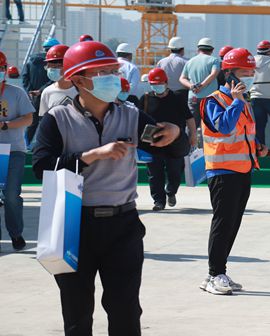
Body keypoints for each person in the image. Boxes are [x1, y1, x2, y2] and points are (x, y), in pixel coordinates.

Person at [32, 41, 183, 334]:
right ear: (78, 80)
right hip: (74, 224)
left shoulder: (131, 115)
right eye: (103, 73)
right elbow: (42, 167)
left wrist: (176, 133)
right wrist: (92, 156)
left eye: (114, 70)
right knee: (77, 312)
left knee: (125, 309)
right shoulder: (57, 119)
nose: (113, 78)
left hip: (122, 225)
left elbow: (171, 149)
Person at [199, 48, 267, 295]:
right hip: (222, 172)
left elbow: (243, 132)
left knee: (232, 224)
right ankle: (214, 273)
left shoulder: (242, 102)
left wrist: (257, 146)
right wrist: (237, 101)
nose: (249, 76)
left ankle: (219, 272)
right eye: (245, 72)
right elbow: (224, 127)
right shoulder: (213, 101)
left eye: (250, 72)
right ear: (229, 74)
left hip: (242, 169)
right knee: (222, 223)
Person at [138, 68, 195, 211]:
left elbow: (189, 118)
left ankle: (171, 191)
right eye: (153, 84)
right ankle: (159, 201)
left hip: (175, 142)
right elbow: (137, 119)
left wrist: (193, 135)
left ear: (166, 82)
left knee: (175, 170)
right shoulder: (145, 99)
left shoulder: (177, 98)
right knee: (154, 173)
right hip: (152, 142)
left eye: (159, 83)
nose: (157, 86)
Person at [0, 50, 34, 252]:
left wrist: (6, 125)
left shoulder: (16, 93)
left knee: (11, 195)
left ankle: (15, 233)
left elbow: (28, 118)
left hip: (13, 150)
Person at [23, 37, 59, 145]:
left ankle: (26, 145)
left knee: (32, 124)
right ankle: (44, 146)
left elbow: (25, 77)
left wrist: (30, 91)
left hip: (33, 97)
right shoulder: (53, 63)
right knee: (48, 123)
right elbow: (54, 79)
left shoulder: (31, 61)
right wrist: (41, 90)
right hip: (49, 96)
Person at [179, 37, 221, 128]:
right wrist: (202, 86)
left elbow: (182, 78)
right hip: (210, 97)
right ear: (212, 50)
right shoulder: (214, 60)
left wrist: (192, 86)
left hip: (193, 97)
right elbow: (214, 73)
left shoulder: (190, 61)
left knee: (192, 125)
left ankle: (192, 138)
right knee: (209, 125)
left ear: (198, 49)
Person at [39, 44, 77, 117]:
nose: (52, 69)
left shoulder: (83, 91)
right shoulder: (47, 92)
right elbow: (44, 119)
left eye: (57, 66)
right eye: (50, 66)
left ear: (69, 66)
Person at [156, 37, 189, 101]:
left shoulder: (161, 62)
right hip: (182, 97)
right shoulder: (187, 62)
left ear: (170, 49)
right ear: (182, 49)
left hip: (165, 96)